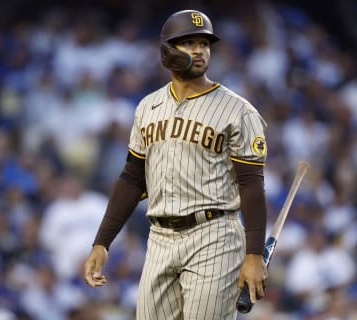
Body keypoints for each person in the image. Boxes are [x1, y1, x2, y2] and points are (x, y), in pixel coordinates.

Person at [83, 9, 268, 320]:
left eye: (204, 43)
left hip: (215, 234)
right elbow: (132, 179)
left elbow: (251, 184)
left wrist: (253, 254)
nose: (198, 50)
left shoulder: (238, 111)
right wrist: (102, 242)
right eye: (188, 42)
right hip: (160, 238)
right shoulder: (147, 107)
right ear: (167, 51)